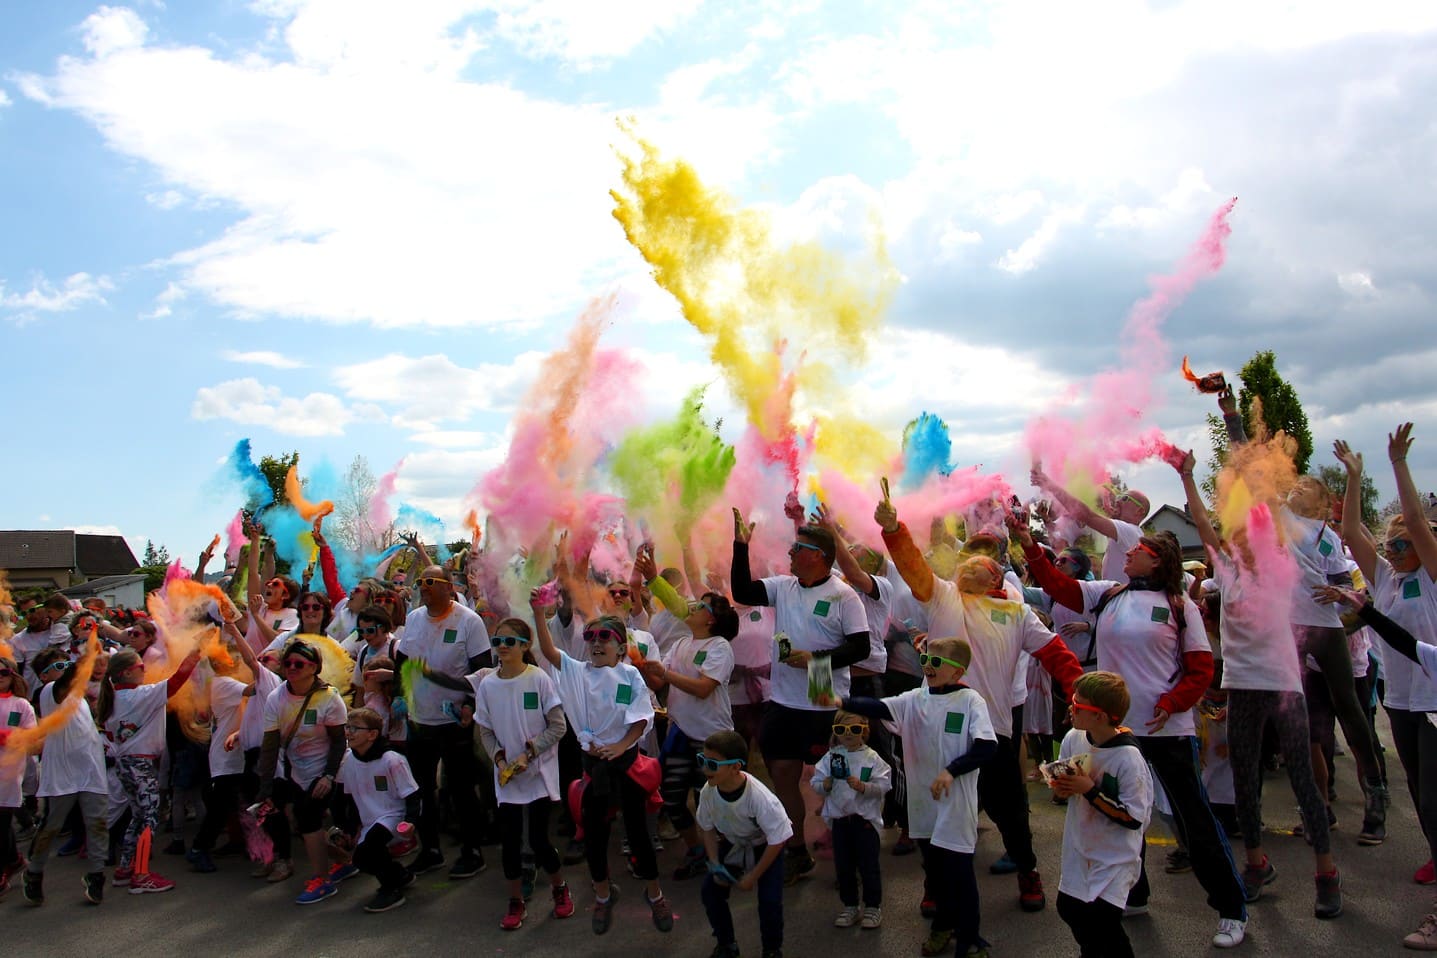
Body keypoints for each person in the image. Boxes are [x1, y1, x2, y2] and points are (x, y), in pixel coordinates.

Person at [1015, 516, 1250, 948]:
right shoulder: (1108, 593)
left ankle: (1231, 908)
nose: (1127, 552)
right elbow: (1058, 586)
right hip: (1114, 731)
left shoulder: (1180, 605)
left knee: (1193, 821)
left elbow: (1201, 668)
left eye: (1137, 550)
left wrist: (1170, 704)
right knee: (1121, 814)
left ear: (1157, 560)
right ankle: (1133, 896)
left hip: (1167, 731)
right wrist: (1029, 543)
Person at [876, 493, 1082, 911]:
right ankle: (934, 883)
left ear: (997, 579)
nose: (971, 563)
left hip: (992, 730)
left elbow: (1056, 652)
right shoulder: (943, 596)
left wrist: (1082, 690)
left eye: (984, 562)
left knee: (1009, 811)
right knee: (934, 812)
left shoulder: (1017, 613)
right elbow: (914, 568)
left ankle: (1028, 871)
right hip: (936, 725)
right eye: (968, 558)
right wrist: (894, 529)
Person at [1170, 445, 1343, 919]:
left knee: (1304, 781)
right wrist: (1187, 476)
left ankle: (1326, 873)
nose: (1240, 539)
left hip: (1285, 684)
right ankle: (1256, 864)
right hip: (1243, 683)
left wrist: (1237, 439)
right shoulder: (1227, 573)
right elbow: (1204, 526)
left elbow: (1264, 502)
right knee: (1245, 781)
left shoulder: (1279, 570)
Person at [825, 636, 998, 958]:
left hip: (955, 805)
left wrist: (951, 771)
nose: (928, 667)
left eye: (936, 662)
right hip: (924, 806)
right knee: (935, 872)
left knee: (959, 874)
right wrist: (838, 701)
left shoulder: (971, 701)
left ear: (958, 671)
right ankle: (943, 926)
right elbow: (876, 707)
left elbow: (987, 747)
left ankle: (971, 938)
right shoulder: (915, 699)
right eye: (925, 661)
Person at [729, 508, 871, 886]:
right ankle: (797, 853)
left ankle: (851, 855)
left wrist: (815, 661)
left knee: (839, 779)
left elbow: (860, 648)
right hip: (784, 699)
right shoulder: (783, 586)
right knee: (783, 775)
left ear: (818, 555)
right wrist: (740, 546)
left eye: (797, 548)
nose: (790, 554)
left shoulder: (843, 595)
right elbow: (742, 591)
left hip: (824, 690)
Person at [1336, 425, 1437, 947]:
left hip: (1435, 702)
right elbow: (1352, 531)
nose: (1395, 551)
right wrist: (1354, 477)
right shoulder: (1388, 580)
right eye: (1391, 544)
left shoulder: (1434, 574)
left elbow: (1419, 522)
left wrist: (1397, 464)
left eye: (1402, 544)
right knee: (1420, 794)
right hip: (1399, 702)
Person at [532, 596, 673, 936]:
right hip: (594, 767)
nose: (596, 643)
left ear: (620, 648)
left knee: (638, 835)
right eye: (591, 637)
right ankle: (603, 894)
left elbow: (641, 718)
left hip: (624, 764)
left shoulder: (630, 677)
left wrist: (620, 746)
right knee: (594, 836)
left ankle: (655, 895)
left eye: (604, 638)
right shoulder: (578, 672)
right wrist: (539, 612)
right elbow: (550, 652)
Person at [634, 545, 741, 882]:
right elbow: (657, 679)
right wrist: (636, 663)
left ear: (710, 618)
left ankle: (728, 854)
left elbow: (703, 688)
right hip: (680, 733)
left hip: (711, 737)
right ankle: (696, 851)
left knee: (714, 802)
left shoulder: (719, 647)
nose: (691, 607)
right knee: (674, 799)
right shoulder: (681, 645)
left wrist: (664, 675)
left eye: (700, 606)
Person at [472, 618, 574, 930]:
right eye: (497, 642)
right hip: (507, 777)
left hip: (538, 773)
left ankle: (559, 888)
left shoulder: (539, 679)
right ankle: (515, 902)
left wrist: (529, 753)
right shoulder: (488, 684)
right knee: (511, 841)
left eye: (510, 642)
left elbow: (558, 726)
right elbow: (485, 731)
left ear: (524, 646)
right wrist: (501, 760)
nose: (502, 647)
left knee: (539, 839)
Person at [394, 564, 491, 880]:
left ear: (450, 588)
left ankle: (472, 851)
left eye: (431, 581)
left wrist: (471, 706)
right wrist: (401, 695)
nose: (423, 586)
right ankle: (430, 850)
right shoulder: (413, 619)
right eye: (421, 580)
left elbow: (482, 669)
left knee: (462, 789)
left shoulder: (469, 621)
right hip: (419, 720)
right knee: (422, 789)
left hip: (453, 722)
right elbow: (403, 662)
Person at [1050, 671, 1154, 958]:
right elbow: (1064, 784)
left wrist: (1089, 790)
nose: (1071, 708)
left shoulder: (1128, 758)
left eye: (1079, 706)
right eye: (1073, 701)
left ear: (1102, 716)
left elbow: (1134, 818)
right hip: (1080, 848)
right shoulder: (1074, 737)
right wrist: (1061, 788)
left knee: (1102, 922)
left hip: (1115, 856)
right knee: (1070, 909)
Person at [98, 645, 201, 894]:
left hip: (125, 764)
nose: (145, 671)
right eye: (140, 667)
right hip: (141, 764)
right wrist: (195, 651)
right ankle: (141, 875)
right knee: (150, 817)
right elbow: (177, 680)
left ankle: (125, 870)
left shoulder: (113, 700)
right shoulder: (141, 695)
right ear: (125, 673)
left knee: (138, 815)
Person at [255, 639, 349, 904]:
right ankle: (343, 860)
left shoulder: (329, 698)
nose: (292, 668)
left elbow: (339, 741)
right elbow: (270, 746)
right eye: (287, 663)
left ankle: (323, 880)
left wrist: (328, 776)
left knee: (309, 818)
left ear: (314, 667)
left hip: (331, 768)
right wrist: (265, 788)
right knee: (304, 822)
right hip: (296, 770)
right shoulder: (276, 698)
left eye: (299, 664)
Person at [22, 644, 111, 906]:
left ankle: (96, 876)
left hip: (91, 771)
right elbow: (67, 684)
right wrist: (84, 660)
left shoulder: (80, 699)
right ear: (44, 676)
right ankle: (34, 872)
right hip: (61, 776)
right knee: (52, 827)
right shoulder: (49, 692)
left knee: (97, 824)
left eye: (65, 665)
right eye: (56, 667)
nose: (63, 671)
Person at [696, 729, 792, 958]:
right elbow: (706, 828)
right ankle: (726, 944)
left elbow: (778, 840)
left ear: (735, 767)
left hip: (766, 846)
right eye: (702, 760)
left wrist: (753, 876)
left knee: (769, 901)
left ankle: (771, 949)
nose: (705, 768)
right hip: (734, 844)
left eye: (712, 763)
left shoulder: (759, 798)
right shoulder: (708, 792)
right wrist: (714, 863)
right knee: (710, 890)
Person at [332, 707, 419, 913]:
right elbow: (348, 797)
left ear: (372, 734)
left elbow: (412, 794)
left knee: (369, 850)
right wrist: (348, 828)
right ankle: (399, 875)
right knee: (361, 860)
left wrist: (411, 821)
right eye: (347, 727)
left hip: (394, 817)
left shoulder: (392, 760)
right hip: (371, 820)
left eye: (355, 728)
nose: (349, 732)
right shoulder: (349, 760)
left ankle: (391, 889)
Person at [811, 709, 891, 929]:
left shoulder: (872, 758)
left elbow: (885, 785)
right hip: (839, 821)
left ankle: (873, 907)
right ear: (835, 732)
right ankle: (850, 906)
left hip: (864, 821)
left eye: (854, 729)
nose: (848, 734)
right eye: (841, 729)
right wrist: (824, 785)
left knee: (869, 866)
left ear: (864, 730)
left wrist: (865, 787)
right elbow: (816, 782)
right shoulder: (831, 757)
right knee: (844, 867)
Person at [0, 655, 36, 898]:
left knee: (2, 820)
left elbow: (32, 735)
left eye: (2, 673)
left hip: (8, 770)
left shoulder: (21, 705)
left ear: (12, 676)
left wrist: (6, 737)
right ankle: (13, 859)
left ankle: (5, 867)